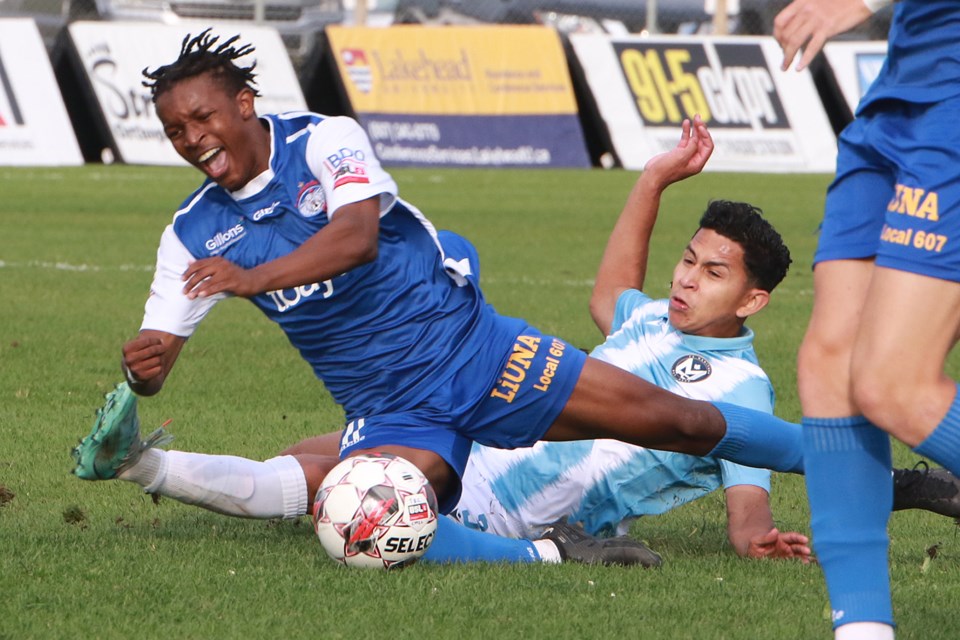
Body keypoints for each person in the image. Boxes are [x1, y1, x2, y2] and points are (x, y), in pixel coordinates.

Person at [74, 30, 808, 563]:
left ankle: (865, 465)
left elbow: (358, 235)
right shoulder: (192, 233)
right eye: (176, 131)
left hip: (477, 353)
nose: (193, 138)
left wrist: (252, 279)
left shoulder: (324, 140)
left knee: (674, 419)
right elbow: (159, 353)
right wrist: (144, 368)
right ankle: (553, 556)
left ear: (244, 102)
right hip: (391, 407)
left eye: (203, 118)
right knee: (359, 520)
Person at [774, 0, 960, 638]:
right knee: (829, 364)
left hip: (953, 105)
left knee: (894, 385)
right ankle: (862, 630)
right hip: (900, 96)